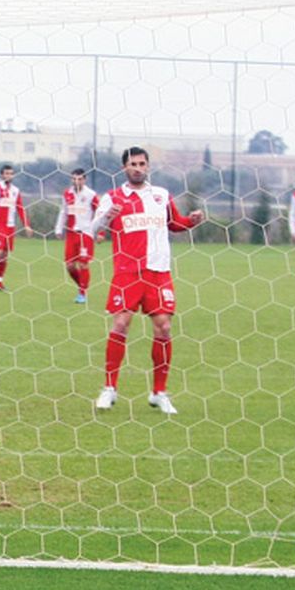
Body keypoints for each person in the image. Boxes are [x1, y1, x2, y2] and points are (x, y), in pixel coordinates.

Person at [89, 147, 203, 414]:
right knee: (121, 323)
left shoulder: (161, 195)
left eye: (142, 164)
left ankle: (159, 393)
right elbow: (93, 231)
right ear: (124, 168)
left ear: (148, 166)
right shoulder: (112, 197)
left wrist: (192, 221)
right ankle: (109, 388)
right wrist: (107, 216)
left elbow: (175, 223)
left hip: (158, 272)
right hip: (127, 272)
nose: (138, 168)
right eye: (133, 164)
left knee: (164, 328)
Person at [53, 168, 99, 304]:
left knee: (83, 264)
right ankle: (82, 286)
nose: (76, 181)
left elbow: (99, 213)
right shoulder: (67, 193)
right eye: (74, 179)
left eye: (79, 179)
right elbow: (63, 212)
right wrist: (59, 228)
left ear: (84, 180)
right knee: (70, 266)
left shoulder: (91, 195)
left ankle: (82, 293)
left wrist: (100, 232)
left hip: (85, 233)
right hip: (71, 234)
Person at [0, 164, 32, 291]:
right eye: (6, 173)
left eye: (11, 173)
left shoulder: (15, 190)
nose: (9, 176)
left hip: (10, 227)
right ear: (2, 175)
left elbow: (20, 208)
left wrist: (26, 225)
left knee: (5, 255)